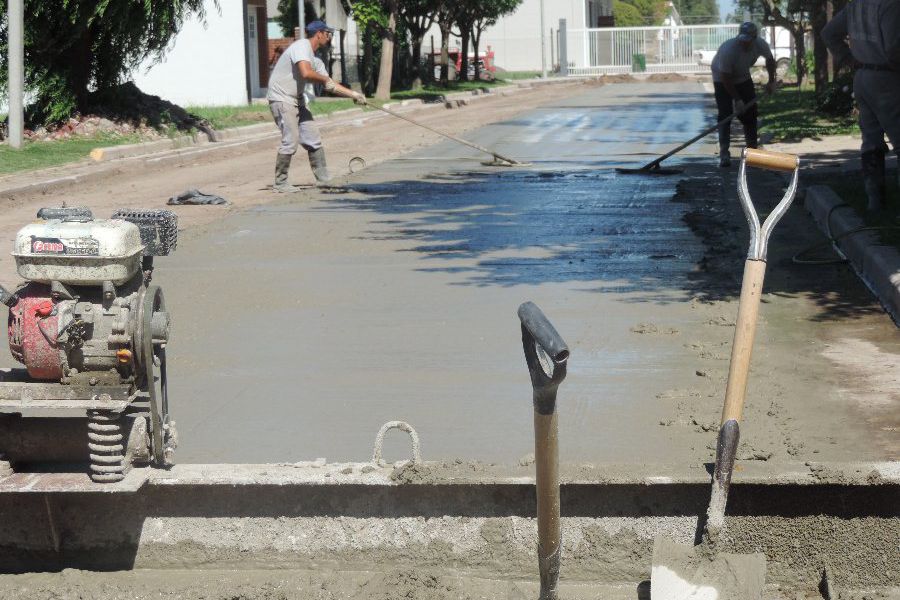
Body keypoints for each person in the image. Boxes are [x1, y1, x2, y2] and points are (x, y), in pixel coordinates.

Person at [267, 20, 367, 192]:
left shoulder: (316, 61)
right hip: (281, 99)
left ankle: (323, 179)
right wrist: (325, 79)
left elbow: (330, 85)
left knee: (313, 138)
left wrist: (354, 95)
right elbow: (306, 72)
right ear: (319, 33)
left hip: (296, 100)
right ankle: (280, 182)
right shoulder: (301, 45)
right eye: (327, 34)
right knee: (291, 140)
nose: (329, 38)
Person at [823, 0, 900, 213]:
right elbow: (895, 49)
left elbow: (829, 33)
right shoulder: (891, 5)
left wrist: (848, 59)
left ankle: (874, 202)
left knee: (871, 141)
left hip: (863, 76)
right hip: (888, 78)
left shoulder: (857, 5)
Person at [711, 22, 777, 167]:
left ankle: (752, 151)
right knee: (725, 113)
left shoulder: (760, 44)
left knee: (751, 112)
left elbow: (770, 60)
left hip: (742, 76)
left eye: (748, 41)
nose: (744, 44)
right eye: (742, 40)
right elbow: (726, 78)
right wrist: (737, 99)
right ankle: (724, 153)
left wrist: (771, 81)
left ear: (754, 38)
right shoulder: (729, 49)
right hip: (721, 77)